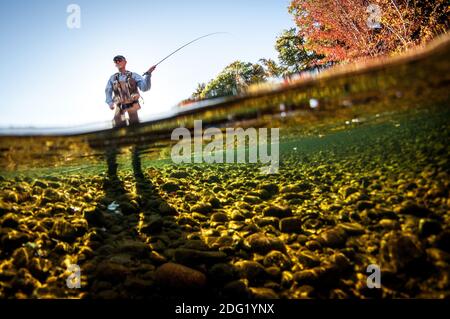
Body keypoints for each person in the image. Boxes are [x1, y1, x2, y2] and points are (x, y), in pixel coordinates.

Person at [105, 55, 156, 127]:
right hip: (119, 106)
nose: (117, 62)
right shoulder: (112, 78)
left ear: (125, 62)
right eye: (115, 61)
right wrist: (110, 103)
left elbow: (145, 88)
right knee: (117, 123)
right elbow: (108, 90)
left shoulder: (134, 76)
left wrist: (148, 74)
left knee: (134, 124)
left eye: (119, 60)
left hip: (132, 104)